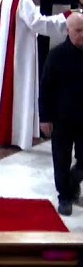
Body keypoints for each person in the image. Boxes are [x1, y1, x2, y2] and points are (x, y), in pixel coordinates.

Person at [0, 0, 74, 150]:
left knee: (7, 90)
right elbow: (37, 24)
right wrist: (66, 18)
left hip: (7, 50)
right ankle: (17, 135)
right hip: (20, 52)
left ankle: (2, 132)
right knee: (20, 90)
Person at [39, 14, 83, 215]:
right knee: (61, 160)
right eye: (78, 31)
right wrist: (44, 118)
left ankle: (71, 184)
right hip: (61, 118)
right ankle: (65, 196)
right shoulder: (56, 55)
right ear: (68, 31)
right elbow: (45, 88)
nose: (82, 35)